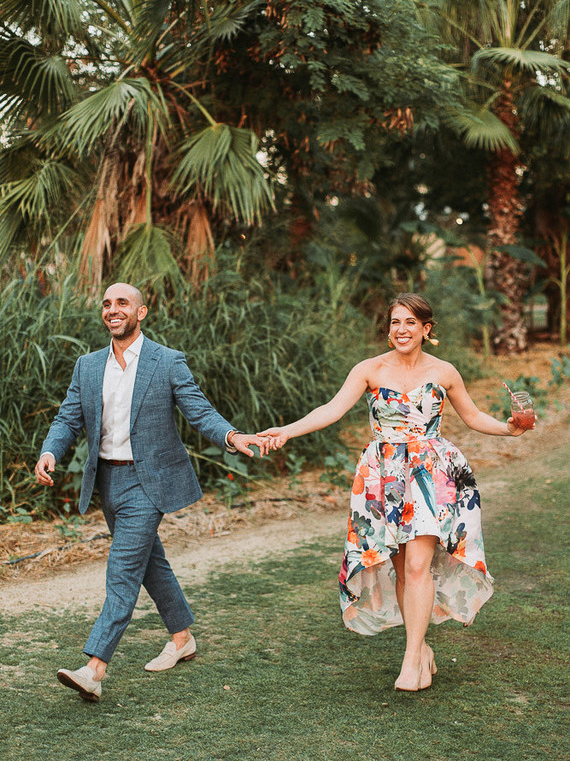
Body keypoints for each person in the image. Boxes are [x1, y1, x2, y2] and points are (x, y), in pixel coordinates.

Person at [259, 293, 535, 692]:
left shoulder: (445, 372)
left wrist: (509, 428)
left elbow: (472, 417)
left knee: (419, 564)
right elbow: (331, 410)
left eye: (410, 323)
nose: (401, 330)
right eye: (394, 322)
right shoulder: (370, 369)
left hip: (431, 474)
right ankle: (420, 648)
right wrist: (286, 431)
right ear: (389, 329)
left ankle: (410, 662)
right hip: (383, 474)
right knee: (404, 564)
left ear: (426, 329)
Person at [35, 282, 270, 702]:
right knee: (149, 564)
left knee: (122, 570)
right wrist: (50, 451)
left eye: (122, 303)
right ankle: (182, 638)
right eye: (107, 304)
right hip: (107, 482)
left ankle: (94, 668)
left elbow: (199, 411)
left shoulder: (167, 361)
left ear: (140, 312)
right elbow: (68, 417)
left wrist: (232, 437)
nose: (113, 310)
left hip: (149, 483)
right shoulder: (87, 366)